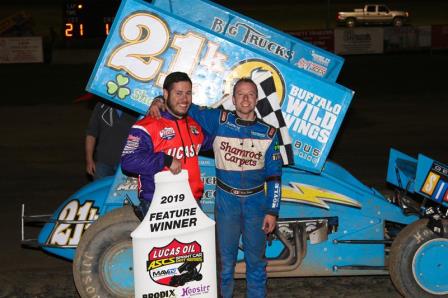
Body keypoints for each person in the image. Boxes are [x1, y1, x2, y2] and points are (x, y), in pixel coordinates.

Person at [150, 77, 283, 298]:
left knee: (256, 262)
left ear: (257, 100)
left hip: (256, 204)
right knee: (225, 263)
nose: (245, 98)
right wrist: (158, 100)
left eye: (250, 94)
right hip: (226, 201)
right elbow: (183, 105)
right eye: (240, 94)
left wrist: (272, 211)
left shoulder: (269, 133)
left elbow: (275, 177)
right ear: (233, 99)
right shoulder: (219, 120)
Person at [121, 72, 212, 214]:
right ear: (165, 94)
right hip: (159, 205)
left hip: (192, 203)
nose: (184, 99)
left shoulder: (193, 125)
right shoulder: (146, 125)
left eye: (188, 93)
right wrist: (165, 159)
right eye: (179, 93)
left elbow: (213, 143)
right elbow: (129, 161)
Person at [85, 99, 138, 180]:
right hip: (102, 162)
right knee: (101, 191)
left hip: (128, 163)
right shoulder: (101, 105)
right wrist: (89, 160)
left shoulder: (136, 107)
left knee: (123, 192)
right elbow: (91, 134)